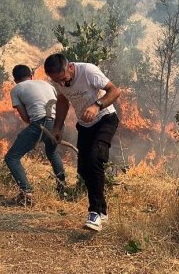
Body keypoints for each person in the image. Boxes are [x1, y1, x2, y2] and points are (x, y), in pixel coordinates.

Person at [43, 53, 120, 231]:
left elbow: (115, 91)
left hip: (105, 118)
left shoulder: (88, 71)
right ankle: (102, 212)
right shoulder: (57, 81)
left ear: (70, 67)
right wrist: (57, 128)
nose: (61, 84)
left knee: (95, 158)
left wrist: (96, 105)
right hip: (85, 125)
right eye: (57, 81)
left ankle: (95, 213)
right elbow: (62, 100)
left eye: (63, 79)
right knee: (84, 169)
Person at [4, 64, 66, 205]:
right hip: (59, 123)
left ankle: (27, 193)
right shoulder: (46, 84)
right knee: (52, 153)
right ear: (31, 76)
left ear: (15, 80)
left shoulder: (16, 89)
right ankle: (63, 190)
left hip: (41, 123)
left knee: (11, 157)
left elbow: (26, 118)